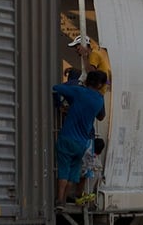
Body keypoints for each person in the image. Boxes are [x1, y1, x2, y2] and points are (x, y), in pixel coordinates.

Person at [53, 70, 107, 211]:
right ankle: (64, 200)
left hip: (67, 137)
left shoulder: (78, 92)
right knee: (73, 172)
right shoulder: (99, 100)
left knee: (63, 170)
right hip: (82, 143)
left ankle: (59, 200)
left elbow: (57, 88)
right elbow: (101, 116)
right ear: (100, 84)